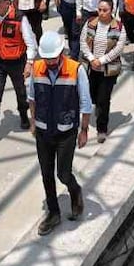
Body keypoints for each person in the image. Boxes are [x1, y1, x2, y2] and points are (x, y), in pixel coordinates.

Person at [27, 31, 93, 236]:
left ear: (62, 53)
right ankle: (54, 213)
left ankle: (75, 191)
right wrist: (33, 121)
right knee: (46, 174)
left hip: (66, 132)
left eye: (53, 58)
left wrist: (83, 131)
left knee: (63, 174)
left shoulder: (76, 70)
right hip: (43, 130)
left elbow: (85, 102)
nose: (49, 62)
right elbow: (32, 97)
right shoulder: (37, 68)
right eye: (46, 58)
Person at [0, 0, 37, 146]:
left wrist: (29, 63)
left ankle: (23, 114)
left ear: (8, 3)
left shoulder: (20, 19)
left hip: (16, 62)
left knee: (21, 92)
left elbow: (31, 43)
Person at [79, 0, 127, 142]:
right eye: (99, 10)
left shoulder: (118, 27)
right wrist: (91, 58)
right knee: (91, 96)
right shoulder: (90, 23)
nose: (101, 13)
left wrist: (101, 60)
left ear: (111, 10)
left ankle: (102, 129)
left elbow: (118, 48)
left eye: (104, 10)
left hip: (107, 70)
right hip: (91, 68)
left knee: (103, 100)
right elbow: (83, 42)